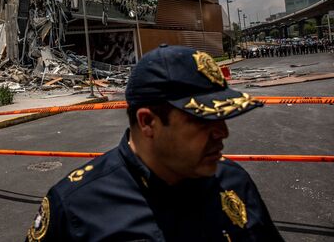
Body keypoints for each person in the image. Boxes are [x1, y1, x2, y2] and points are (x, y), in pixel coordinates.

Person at [25, 45, 284, 241]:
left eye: (224, 118)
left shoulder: (234, 181)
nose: (223, 133)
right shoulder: (74, 206)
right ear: (148, 122)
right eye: (203, 122)